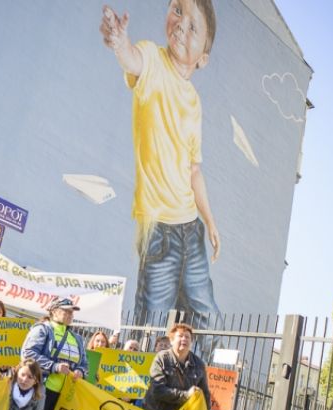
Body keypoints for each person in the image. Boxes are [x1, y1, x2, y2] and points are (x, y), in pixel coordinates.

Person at [100, 1, 222, 345]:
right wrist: (119, 41)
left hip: (190, 228)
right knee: (152, 317)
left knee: (208, 316)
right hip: (159, 228)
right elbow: (130, 59)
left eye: (194, 26)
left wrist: (210, 221)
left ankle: (190, 380)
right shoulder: (152, 58)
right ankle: (137, 384)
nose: (182, 24)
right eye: (177, 10)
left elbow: (193, 169)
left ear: (203, 58)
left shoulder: (195, 101)